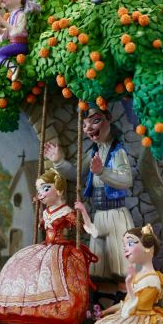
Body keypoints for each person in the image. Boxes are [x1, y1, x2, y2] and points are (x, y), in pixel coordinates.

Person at [0, 168, 98, 324]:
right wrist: (39, 209)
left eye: (46, 188)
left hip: (60, 249)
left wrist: (82, 210)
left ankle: (59, 310)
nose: (41, 193)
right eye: (39, 190)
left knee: (59, 276)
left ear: (59, 191)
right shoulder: (46, 212)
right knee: (26, 270)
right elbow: (43, 225)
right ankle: (29, 310)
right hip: (46, 247)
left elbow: (80, 227)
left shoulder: (65, 211)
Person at [44, 105, 134, 282]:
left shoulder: (118, 151)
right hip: (99, 215)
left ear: (109, 119)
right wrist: (59, 161)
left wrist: (102, 172)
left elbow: (126, 180)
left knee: (121, 266)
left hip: (116, 214)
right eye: (85, 125)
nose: (89, 128)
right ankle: (103, 297)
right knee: (99, 267)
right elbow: (76, 174)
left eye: (95, 121)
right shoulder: (94, 151)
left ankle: (124, 295)